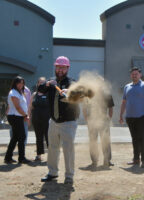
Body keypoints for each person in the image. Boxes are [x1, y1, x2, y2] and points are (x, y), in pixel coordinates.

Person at [41, 56, 80, 184]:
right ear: (55, 67)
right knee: (52, 147)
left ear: (67, 68)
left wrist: (70, 91)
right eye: (58, 67)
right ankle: (52, 173)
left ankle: (69, 176)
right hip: (53, 121)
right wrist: (47, 84)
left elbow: (80, 92)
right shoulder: (51, 82)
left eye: (63, 68)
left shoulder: (72, 82)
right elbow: (40, 90)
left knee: (68, 149)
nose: (60, 70)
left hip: (68, 122)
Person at [119, 67, 144, 168]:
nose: (134, 75)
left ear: (140, 75)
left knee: (141, 138)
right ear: (131, 75)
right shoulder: (127, 87)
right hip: (130, 117)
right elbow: (124, 102)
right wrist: (121, 115)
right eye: (133, 74)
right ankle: (136, 159)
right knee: (134, 138)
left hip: (141, 116)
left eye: (136, 74)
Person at [83, 86, 115, 168]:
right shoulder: (88, 95)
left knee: (106, 141)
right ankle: (94, 161)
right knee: (93, 141)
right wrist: (87, 120)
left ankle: (107, 160)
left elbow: (111, 108)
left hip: (104, 121)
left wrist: (109, 119)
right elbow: (84, 108)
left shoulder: (107, 95)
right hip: (92, 121)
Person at [4, 76, 31, 164]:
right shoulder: (13, 92)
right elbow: (17, 107)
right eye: (19, 83)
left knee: (15, 137)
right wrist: (25, 115)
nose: (21, 84)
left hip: (17, 116)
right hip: (15, 117)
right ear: (15, 83)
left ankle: (8, 157)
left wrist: (23, 115)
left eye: (22, 83)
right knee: (22, 137)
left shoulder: (19, 92)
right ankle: (21, 158)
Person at [28, 77, 50, 161]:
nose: (41, 84)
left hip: (47, 120)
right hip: (36, 119)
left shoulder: (48, 94)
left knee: (48, 137)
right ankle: (39, 155)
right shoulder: (34, 94)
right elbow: (30, 107)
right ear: (37, 84)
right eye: (40, 83)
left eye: (43, 83)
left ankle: (51, 156)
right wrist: (29, 118)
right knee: (38, 137)